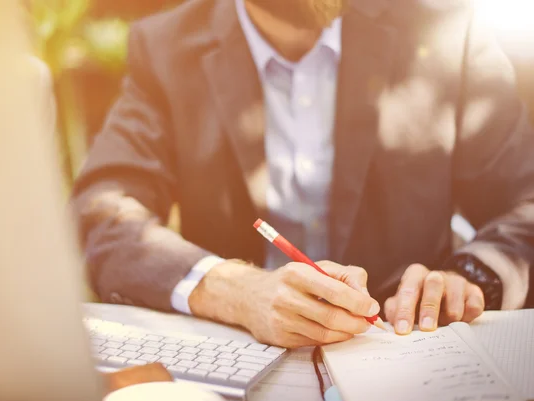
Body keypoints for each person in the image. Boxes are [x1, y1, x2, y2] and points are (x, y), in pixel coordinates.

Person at [72, 0, 534, 347]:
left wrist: (472, 274)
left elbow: (526, 200)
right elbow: (104, 214)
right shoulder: (164, 47)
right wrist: (234, 290)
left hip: (409, 348)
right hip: (244, 359)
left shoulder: (446, 28)